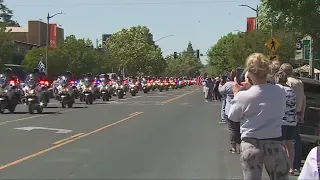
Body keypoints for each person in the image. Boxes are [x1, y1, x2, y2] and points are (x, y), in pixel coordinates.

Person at [228, 53, 289, 180]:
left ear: (248, 73)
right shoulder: (280, 90)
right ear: (267, 72)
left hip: (250, 144)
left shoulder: (244, 96)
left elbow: (233, 116)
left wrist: (236, 94)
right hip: (274, 142)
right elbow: (264, 93)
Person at [280, 63, 306, 172]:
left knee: (281, 143)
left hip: (283, 117)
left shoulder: (284, 85)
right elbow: (303, 99)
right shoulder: (299, 83)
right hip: (294, 116)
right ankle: (293, 165)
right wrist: (302, 114)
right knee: (293, 142)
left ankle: (283, 164)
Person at [274, 70, 298, 174]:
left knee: (281, 144)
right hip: (292, 120)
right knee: (290, 145)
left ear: (277, 79)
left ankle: (283, 165)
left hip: (282, 120)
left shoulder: (278, 90)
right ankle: (291, 167)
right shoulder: (291, 90)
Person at [219, 70, 241, 152]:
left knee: (232, 129)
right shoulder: (242, 84)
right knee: (240, 129)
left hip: (230, 109)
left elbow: (221, 91)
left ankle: (233, 148)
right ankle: (242, 146)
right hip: (240, 109)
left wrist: (221, 84)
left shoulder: (227, 84)